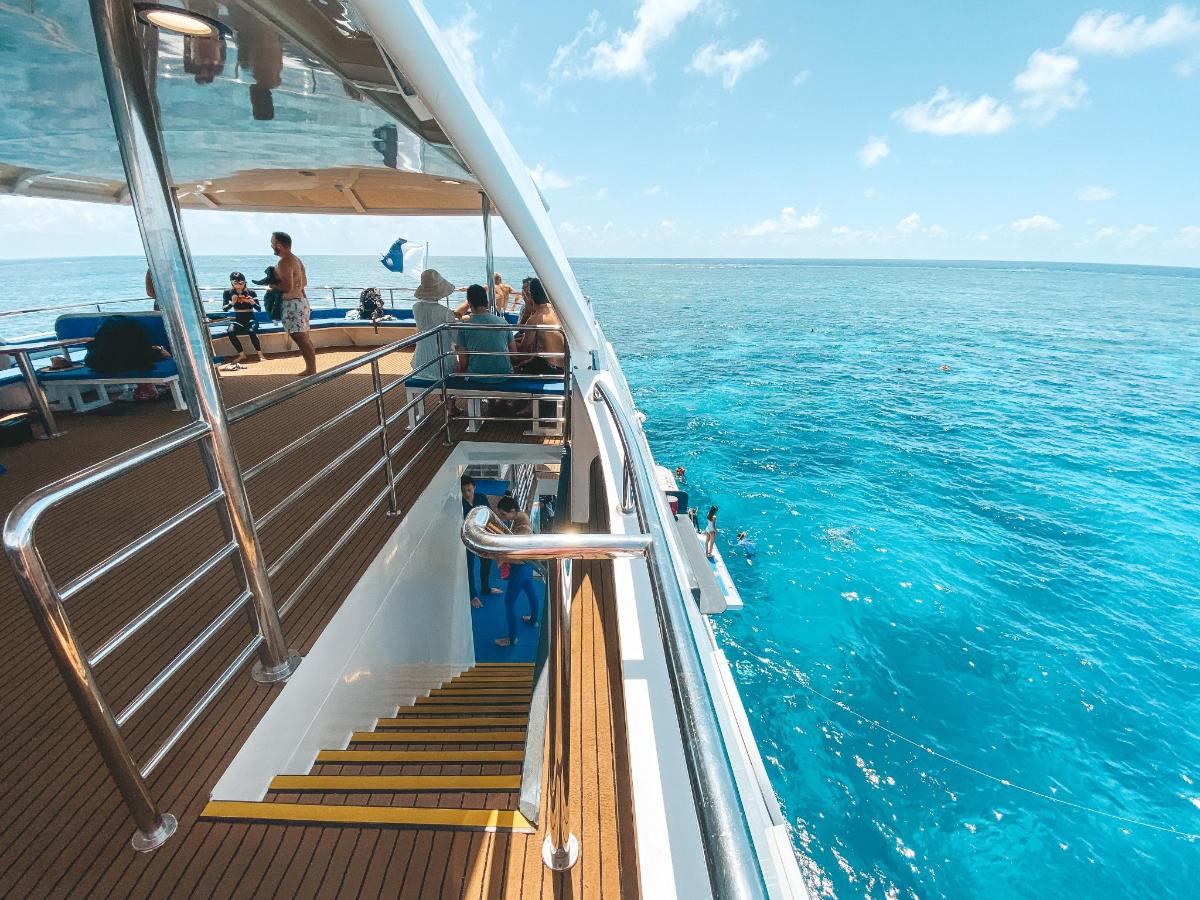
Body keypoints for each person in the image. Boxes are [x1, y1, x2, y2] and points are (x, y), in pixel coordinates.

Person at [271, 231, 316, 377]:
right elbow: (304, 283)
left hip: (292, 304)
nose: (271, 246)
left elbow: (287, 287)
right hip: (301, 301)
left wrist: (272, 286)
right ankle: (311, 367)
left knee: (300, 338)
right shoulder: (296, 260)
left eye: (272, 243)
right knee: (304, 338)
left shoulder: (284, 261)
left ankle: (311, 369)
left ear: (279, 245)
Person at [495, 495, 537, 646]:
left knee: (509, 603)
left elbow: (517, 554)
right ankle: (533, 621)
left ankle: (512, 638)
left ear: (512, 511)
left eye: (503, 515)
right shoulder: (521, 515)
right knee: (531, 593)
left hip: (519, 568)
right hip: (527, 567)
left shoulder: (523, 531)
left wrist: (501, 558)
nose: (502, 518)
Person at [453, 285, 516, 375]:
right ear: (486, 303)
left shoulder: (464, 327)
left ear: (469, 304)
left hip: (477, 376)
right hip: (504, 374)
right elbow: (514, 354)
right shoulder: (503, 322)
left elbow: (463, 363)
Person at [461, 475, 501, 608]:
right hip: (467, 540)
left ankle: (485, 588)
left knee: (487, 562)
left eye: (469, 490)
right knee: (470, 567)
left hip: (482, 536)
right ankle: (473, 595)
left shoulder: (481, 497)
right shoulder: (459, 503)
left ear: (474, 488)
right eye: (464, 491)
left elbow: (488, 515)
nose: (467, 494)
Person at [410, 269, 458, 379]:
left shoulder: (415, 307)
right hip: (442, 362)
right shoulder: (446, 312)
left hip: (420, 362)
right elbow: (455, 337)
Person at [84, 316, 170, 373]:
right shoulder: (140, 350)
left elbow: (90, 348)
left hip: (105, 364)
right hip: (132, 363)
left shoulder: (98, 355)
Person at [515, 279, 565, 375]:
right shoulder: (555, 311)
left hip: (549, 368)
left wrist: (508, 343)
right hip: (562, 367)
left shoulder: (534, 320)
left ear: (530, 296)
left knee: (514, 365)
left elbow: (523, 349)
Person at [219, 271, 261, 370]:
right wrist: (232, 303)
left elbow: (259, 309)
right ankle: (242, 354)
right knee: (230, 331)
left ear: (245, 282)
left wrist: (252, 302)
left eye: (241, 283)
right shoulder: (228, 292)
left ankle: (260, 354)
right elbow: (225, 309)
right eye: (236, 284)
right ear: (232, 283)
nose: (239, 286)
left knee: (251, 331)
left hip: (251, 319)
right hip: (238, 319)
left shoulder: (251, 292)